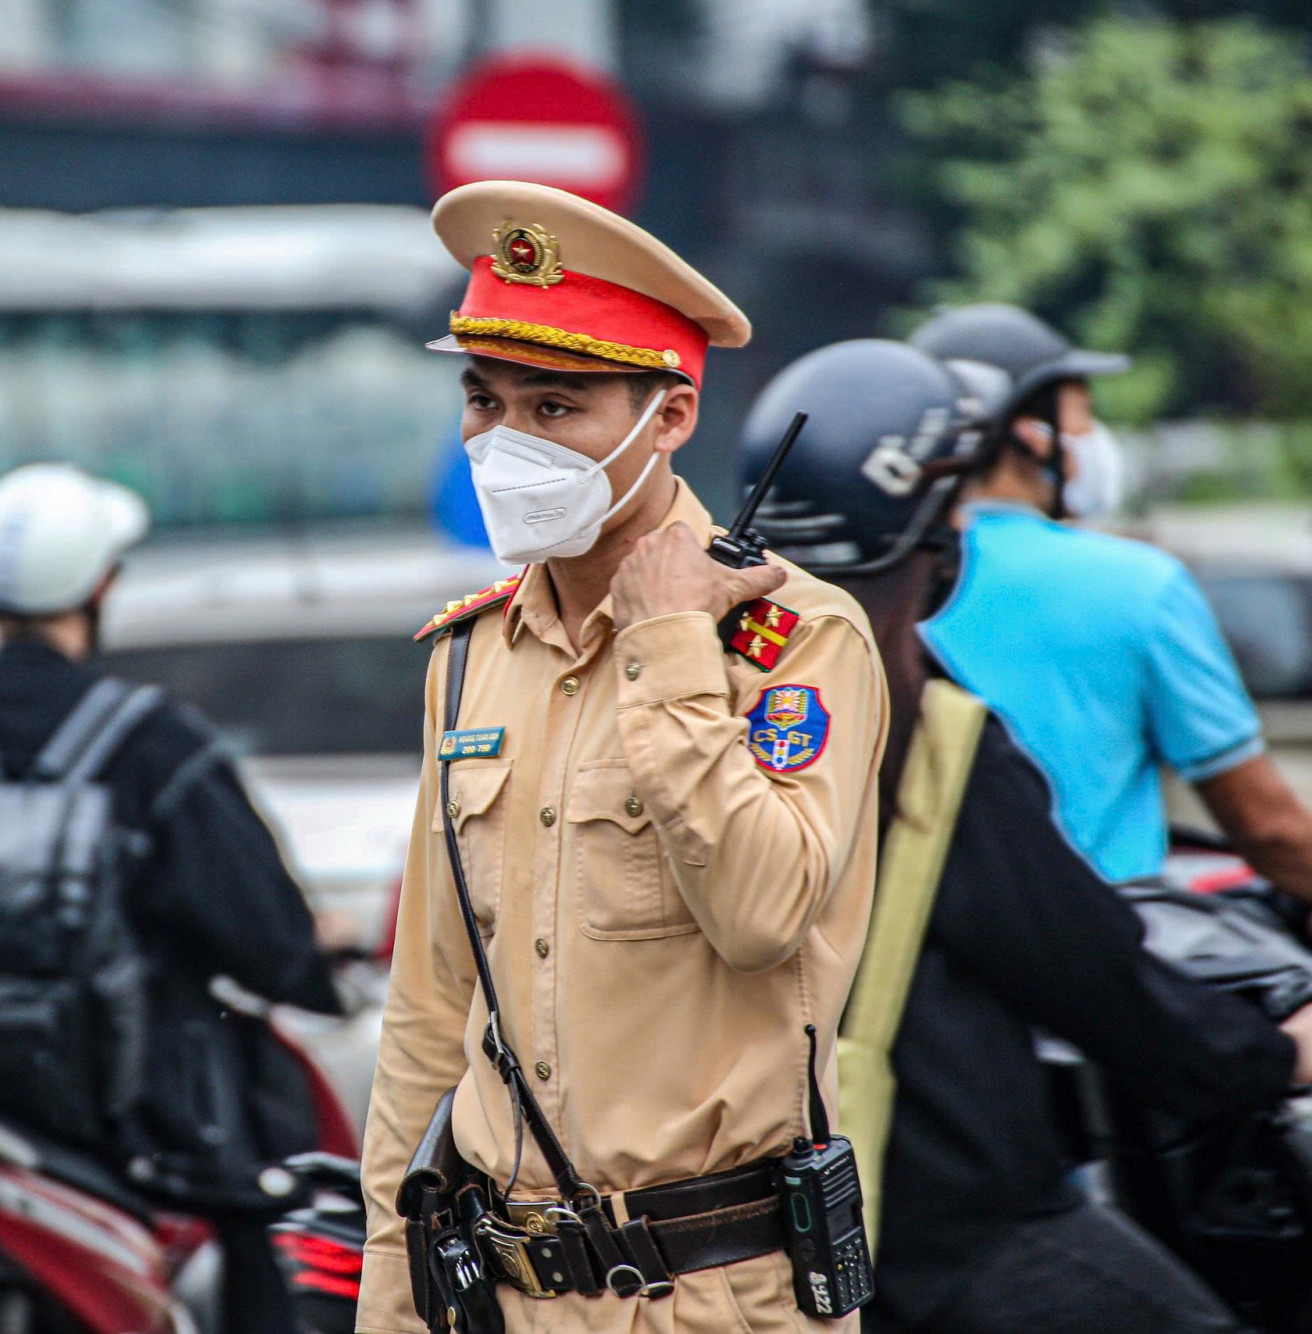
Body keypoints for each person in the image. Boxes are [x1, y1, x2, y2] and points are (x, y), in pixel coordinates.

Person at [357, 181, 889, 1333]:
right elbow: (428, 1011)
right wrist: (391, 1306)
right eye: (482, 400)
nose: (504, 442)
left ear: (671, 416)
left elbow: (761, 911)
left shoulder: (792, 640)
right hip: (506, 1289)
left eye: (554, 405)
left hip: (715, 1293)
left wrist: (667, 645)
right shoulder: (468, 654)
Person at [739, 336, 1312, 1334]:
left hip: (744, 1212)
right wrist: (1268, 1054)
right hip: (936, 1199)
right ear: (934, 535)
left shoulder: (701, 695)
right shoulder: (925, 732)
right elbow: (1088, 962)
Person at [0, 463, 342, 1334]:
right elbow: (268, 943)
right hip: (136, 1133)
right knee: (265, 1222)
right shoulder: (156, 746)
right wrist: (317, 963)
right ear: (101, 585)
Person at [908, 303, 1312, 901]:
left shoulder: (877, 585)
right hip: (1099, 942)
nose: (1093, 440)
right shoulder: (1139, 583)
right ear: (1030, 435)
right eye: (1082, 416)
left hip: (906, 943)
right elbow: (1269, 830)